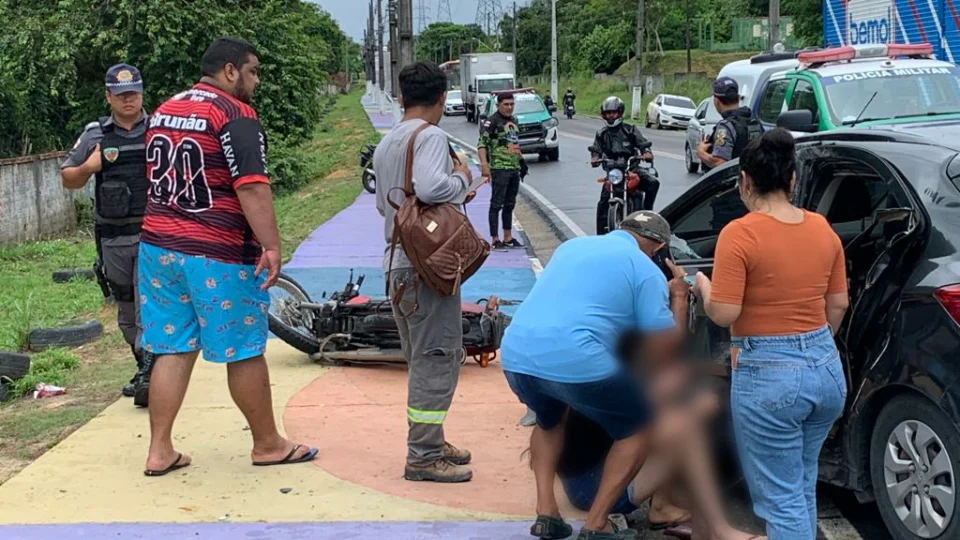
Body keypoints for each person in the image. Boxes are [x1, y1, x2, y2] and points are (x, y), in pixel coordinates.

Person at [138, 37, 318, 477]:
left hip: (158, 249)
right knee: (243, 348)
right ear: (230, 71)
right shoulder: (235, 114)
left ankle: (159, 450)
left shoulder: (164, 109)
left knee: (172, 347)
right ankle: (268, 444)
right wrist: (271, 246)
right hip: (216, 254)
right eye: (252, 72)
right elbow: (251, 186)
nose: (256, 82)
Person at [692, 129, 848, 540]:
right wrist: (812, 346)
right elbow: (838, 305)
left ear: (744, 180)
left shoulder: (740, 233)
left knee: (780, 498)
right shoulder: (822, 228)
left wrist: (704, 287)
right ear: (792, 179)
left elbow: (725, 312)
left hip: (770, 377)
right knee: (800, 481)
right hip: (826, 369)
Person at [501, 211, 690, 540]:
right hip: (576, 357)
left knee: (549, 421)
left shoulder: (571, 247)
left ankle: (546, 513)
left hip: (517, 352)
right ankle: (597, 523)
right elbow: (664, 349)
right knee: (639, 427)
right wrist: (679, 296)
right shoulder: (646, 270)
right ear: (659, 247)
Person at [374, 61, 480, 483]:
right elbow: (434, 188)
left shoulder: (388, 141)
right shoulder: (431, 135)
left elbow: (384, 205)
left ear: (402, 98)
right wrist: (463, 180)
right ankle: (422, 456)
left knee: (423, 358)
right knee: (436, 359)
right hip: (426, 267)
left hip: (397, 264)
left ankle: (431, 440)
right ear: (441, 98)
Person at [60, 63, 154, 406]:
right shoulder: (95, 134)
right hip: (113, 238)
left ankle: (150, 376)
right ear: (108, 97)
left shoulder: (159, 128)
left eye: (133, 93)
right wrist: (90, 167)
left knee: (147, 306)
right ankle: (143, 368)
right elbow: (68, 177)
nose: (128, 100)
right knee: (126, 309)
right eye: (121, 94)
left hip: (152, 236)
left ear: (141, 93)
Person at [591, 96, 659, 235]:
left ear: (620, 113)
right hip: (613, 172)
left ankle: (647, 213)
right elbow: (595, 150)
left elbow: (643, 144)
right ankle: (600, 235)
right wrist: (595, 158)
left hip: (631, 169)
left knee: (653, 183)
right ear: (603, 114)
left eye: (613, 112)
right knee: (603, 201)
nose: (611, 116)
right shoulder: (601, 134)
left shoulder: (630, 130)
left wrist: (646, 153)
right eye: (608, 113)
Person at [478, 92, 524, 249]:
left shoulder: (514, 121)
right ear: (498, 105)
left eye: (512, 104)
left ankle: (508, 237)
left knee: (510, 204)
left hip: (514, 167)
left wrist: (521, 161)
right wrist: (484, 165)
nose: (509, 107)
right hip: (499, 168)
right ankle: (495, 239)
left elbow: (515, 143)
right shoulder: (491, 122)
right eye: (506, 104)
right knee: (496, 204)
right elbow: (482, 144)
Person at [696, 77, 763, 170]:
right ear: (738, 98)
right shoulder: (754, 121)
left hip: (733, 177)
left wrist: (701, 153)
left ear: (716, 101)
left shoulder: (725, 127)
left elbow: (720, 162)